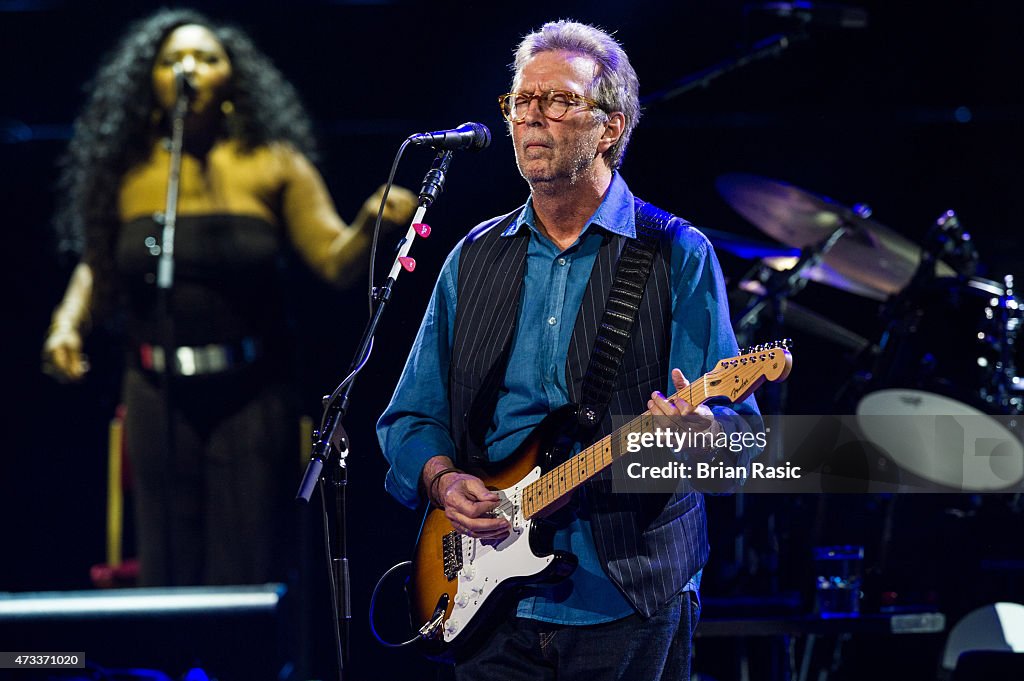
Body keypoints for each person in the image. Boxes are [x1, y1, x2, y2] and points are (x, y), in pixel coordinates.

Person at [377, 19, 762, 680]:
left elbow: (743, 438)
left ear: (609, 127)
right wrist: (443, 479)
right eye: (520, 102)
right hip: (487, 602)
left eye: (556, 102)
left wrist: (702, 432)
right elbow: (408, 418)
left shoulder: (675, 253)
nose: (531, 118)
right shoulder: (473, 256)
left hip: (627, 597)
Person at [41, 8, 417, 587]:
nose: (187, 68)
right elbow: (99, 263)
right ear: (151, 80)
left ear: (231, 78)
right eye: (171, 60)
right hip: (155, 390)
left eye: (205, 57)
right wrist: (66, 324)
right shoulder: (128, 171)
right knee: (166, 563)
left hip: (251, 390)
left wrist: (371, 221)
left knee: (242, 560)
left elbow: (334, 261)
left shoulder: (273, 162)